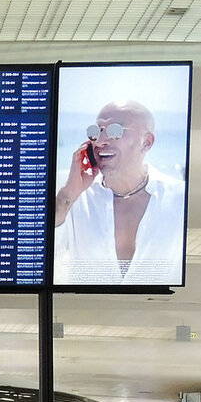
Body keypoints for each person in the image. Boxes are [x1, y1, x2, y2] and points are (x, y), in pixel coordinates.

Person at [52, 100, 185, 286]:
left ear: (146, 142)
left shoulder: (180, 199)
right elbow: (38, 254)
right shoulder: (76, 199)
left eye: (115, 131)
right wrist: (68, 195)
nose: (100, 141)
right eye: (96, 131)